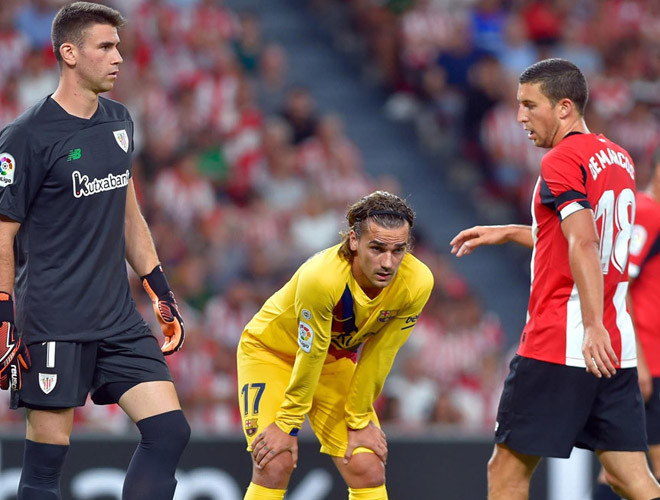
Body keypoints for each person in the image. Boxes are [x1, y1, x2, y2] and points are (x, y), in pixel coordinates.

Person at [0, 3, 190, 499]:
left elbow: (129, 216)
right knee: (45, 465)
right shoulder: (25, 137)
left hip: (116, 318)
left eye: (118, 47)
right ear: (69, 53)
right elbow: (2, 235)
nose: (118, 57)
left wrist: (160, 291)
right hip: (54, 321)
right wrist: (2, 315)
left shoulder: (119, 121)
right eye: (105, 47)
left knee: (169, 431)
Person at [450, 58, 660, 500]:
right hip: (615, 345)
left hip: (563, 340)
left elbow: (583, 242)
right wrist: (511, 231)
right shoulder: (618, 157)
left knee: (506, 473)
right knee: (631, 479)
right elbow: (586, 238)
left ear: (564, 107)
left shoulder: (561, 160)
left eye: (530, 105)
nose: (519, 117)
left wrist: (592, 325)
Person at [237, 190, 433, 500]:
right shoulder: (322, 278)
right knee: (274, 463)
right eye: (377, 248)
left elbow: (381, 352)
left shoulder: (417, 282)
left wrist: (359, 417)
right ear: (354, 241)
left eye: (398, 250)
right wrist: (287, 424)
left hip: (332, 361)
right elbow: (310, 351)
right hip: (270, 354)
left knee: (367, 465)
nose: (388, 262)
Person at [592, 146, 660, 499]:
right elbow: (620, 284)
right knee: (633, 470)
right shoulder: (648, 213)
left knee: (623, 470)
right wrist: (641, 364)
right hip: (650, 363)